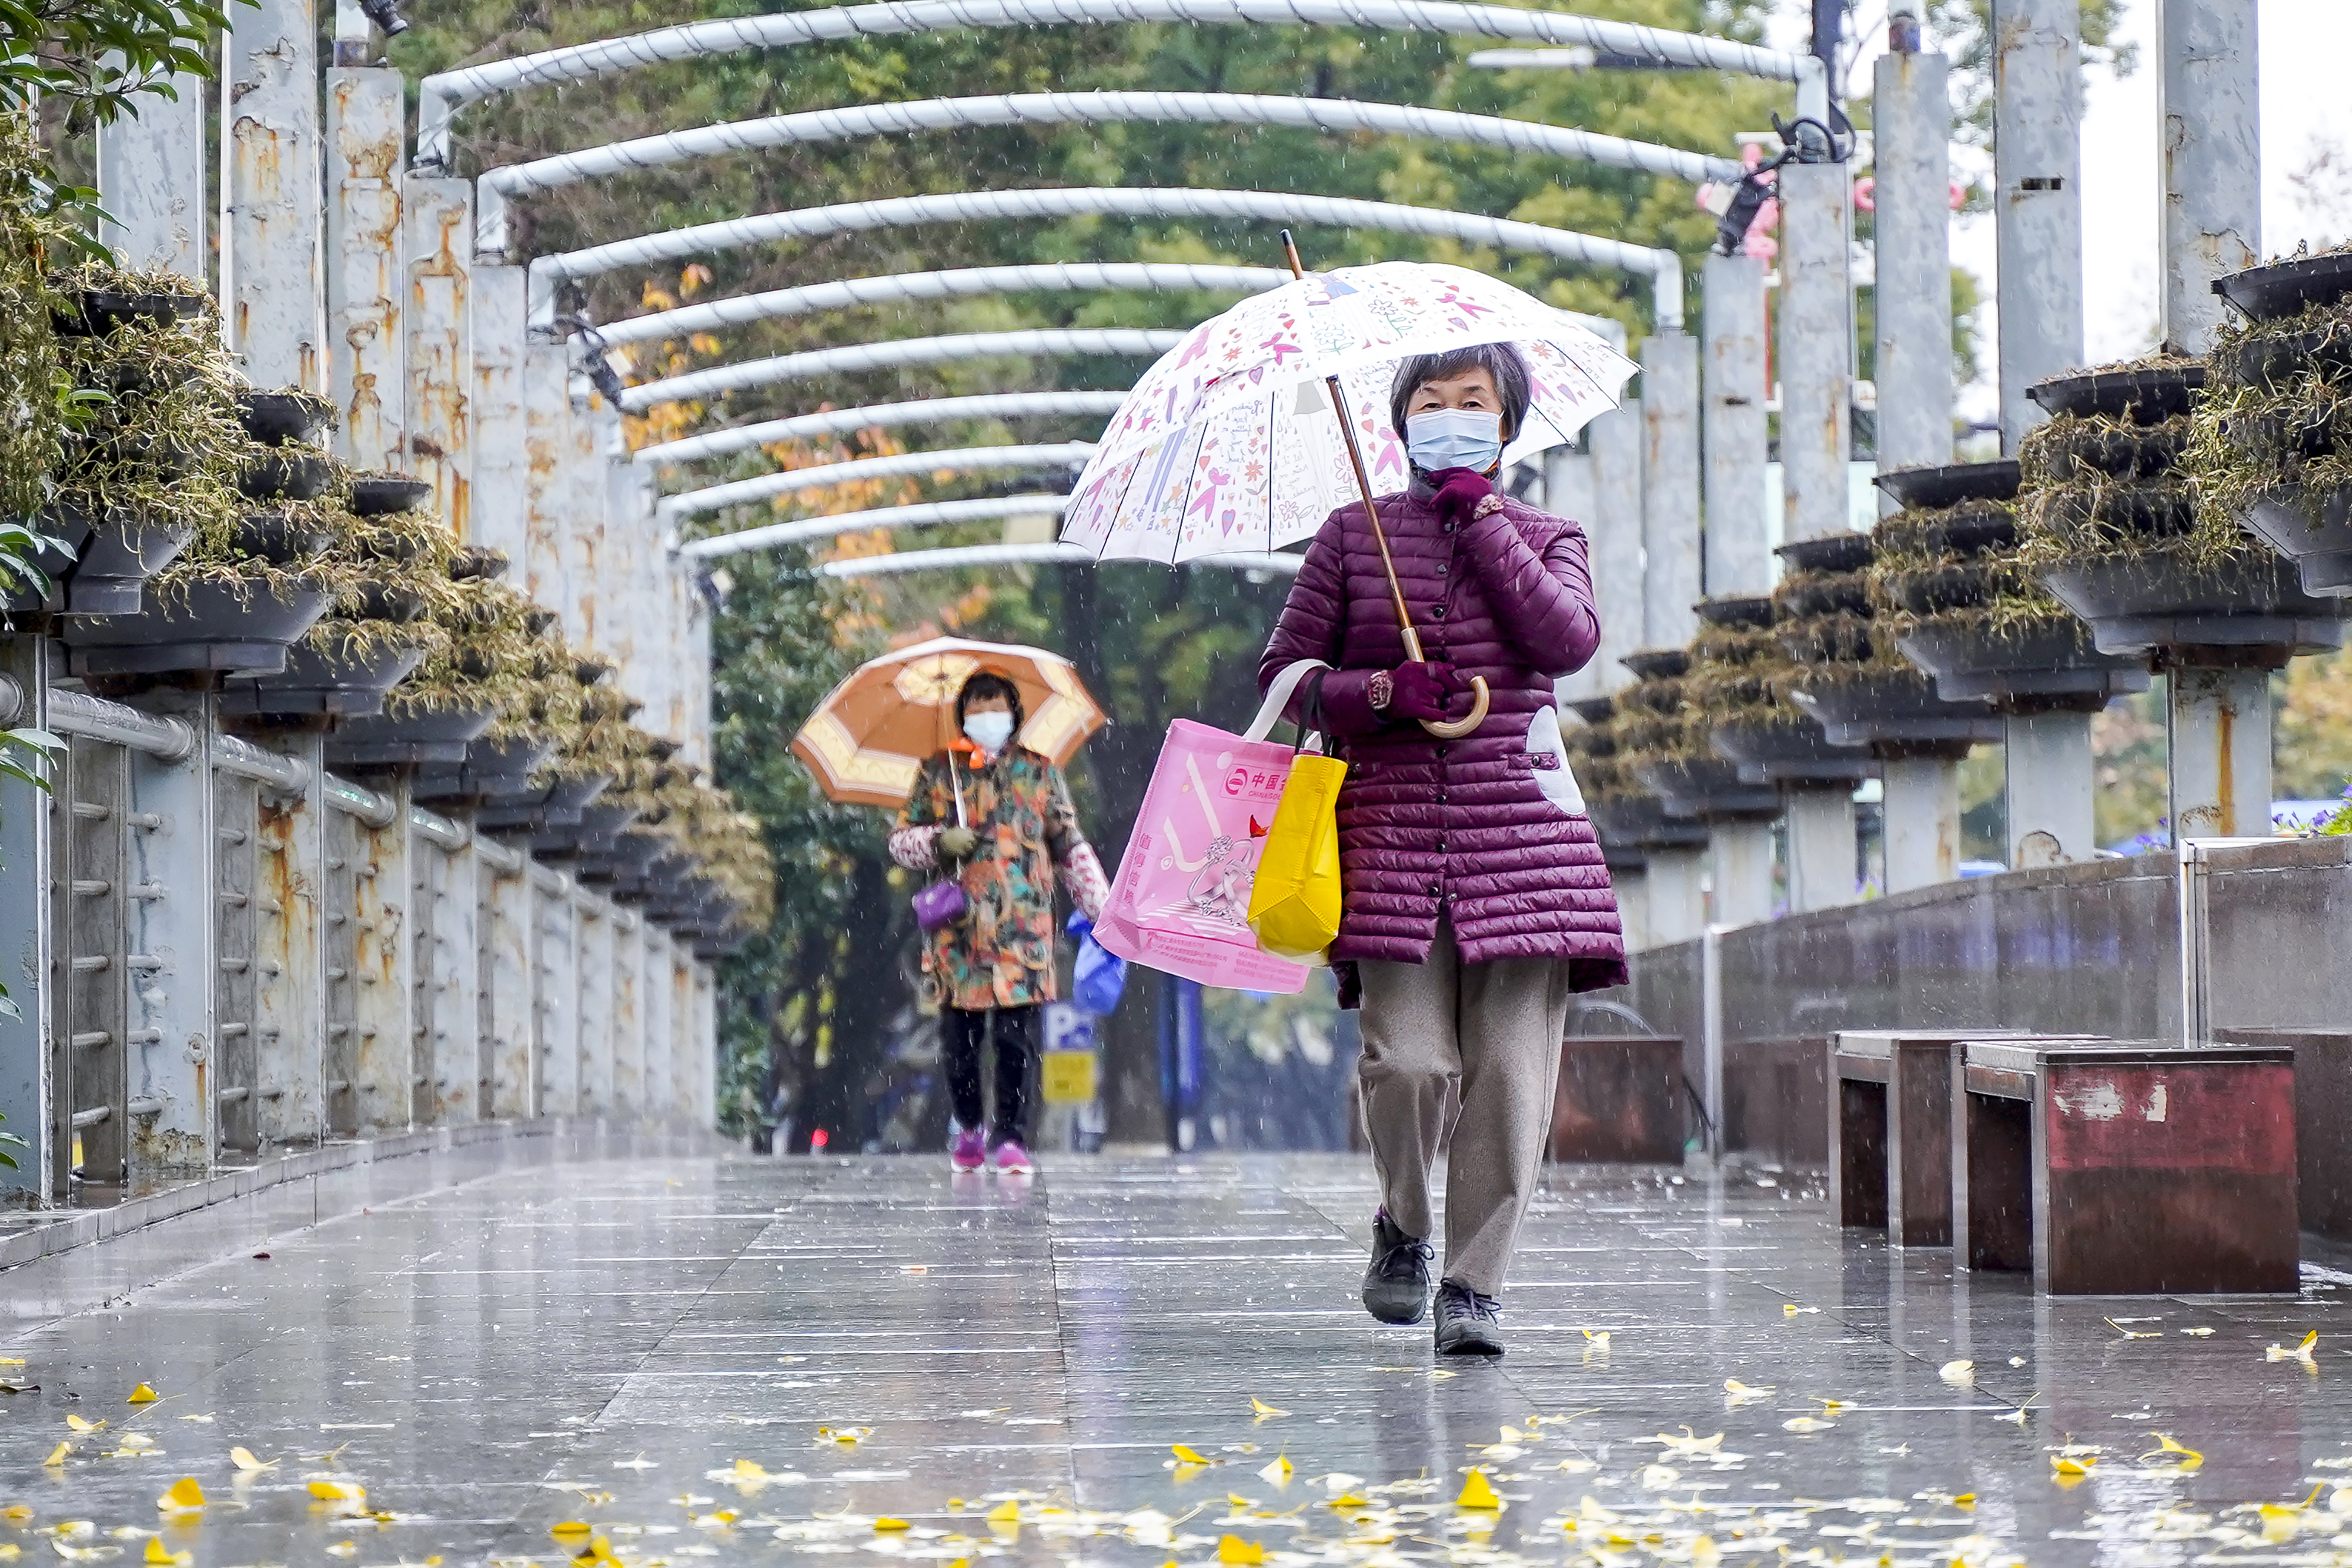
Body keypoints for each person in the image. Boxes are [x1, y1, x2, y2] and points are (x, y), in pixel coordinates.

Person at [1257, 341, 1626, 1356]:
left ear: (1507, 425)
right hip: (1389, 843)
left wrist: (1484, 523)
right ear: (1400, 421)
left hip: (1527, 847)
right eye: (1432, 402)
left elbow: (1566, 641)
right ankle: (1405, 1227)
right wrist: (1380, 694)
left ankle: (1474, 1284)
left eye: (1474, 402)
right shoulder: (1350, 538)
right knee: (1409, 1064)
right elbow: (1284, 674)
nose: (1452, 417)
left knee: (1511, 1077)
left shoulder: (1550, 534)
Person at [888, 671, 1110, 1176]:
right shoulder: (938, 772)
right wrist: (938, 841)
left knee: (1017, 1042)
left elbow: (1070, 844)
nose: (987, 714)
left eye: (997, 704)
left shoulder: (1040, 772)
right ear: (963, 714)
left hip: (1024, 935)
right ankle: (969, 1126)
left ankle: (1011, 1136)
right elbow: (900, 841)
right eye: (977, 705)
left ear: (1013, 713)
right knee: (959, 1043)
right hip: (958, 937)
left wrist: (1103, 906)